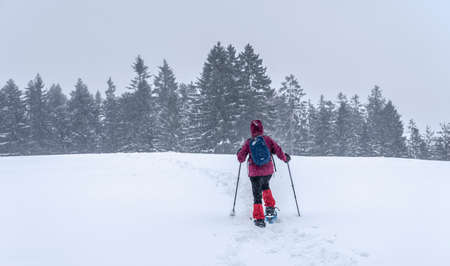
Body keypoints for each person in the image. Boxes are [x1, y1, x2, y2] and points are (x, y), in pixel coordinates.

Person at [237, 120, 291, 227]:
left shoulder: (249, 142)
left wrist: (239, 152)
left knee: (257, 194)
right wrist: (285, 158)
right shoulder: (267, 140)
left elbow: (241, 158)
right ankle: (270, 209)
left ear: (251, 129)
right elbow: (278, 151)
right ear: (261, 128)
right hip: (267, 171)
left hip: (254, 173)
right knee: (266, 186)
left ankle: (259, 218)